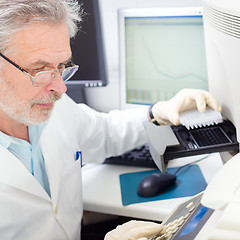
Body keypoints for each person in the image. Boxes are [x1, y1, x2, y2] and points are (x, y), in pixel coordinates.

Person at [0, 0, 221, 239]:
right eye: (41, 70)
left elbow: (104, 133)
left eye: (62, 66)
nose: (61, 87)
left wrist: (156, 112)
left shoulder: (52, 107)